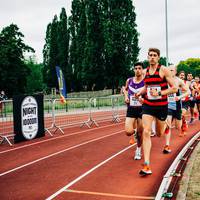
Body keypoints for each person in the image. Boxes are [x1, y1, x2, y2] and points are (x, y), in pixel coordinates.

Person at [136, 48, 177, 176]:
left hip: (161, 106)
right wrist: (140, 92)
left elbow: (174, 88)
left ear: (158, 58)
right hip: (148, 105)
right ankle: (147, 164)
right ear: (147, 57)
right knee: (146, 132)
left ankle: (165, 125)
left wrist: (159, 93)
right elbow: (146, 87)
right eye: (150, 55)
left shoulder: (163, 70)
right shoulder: (145, 72)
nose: (152, 57)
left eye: (155, 55)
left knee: (159, 133)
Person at [163, 65, 190, 154]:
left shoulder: (179, 81)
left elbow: (188, 92)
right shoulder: (164, 80)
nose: (170, 72)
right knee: (168, 125)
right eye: (168, 70)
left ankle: (183, 122)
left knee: (178, 127)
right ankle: (167, 145)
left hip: (177, 106)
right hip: (168, 106)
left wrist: (179, 96)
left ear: (175, 72)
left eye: (171, 70)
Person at [124, 62, 144, 160]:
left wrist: (143, 100)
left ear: (142, 70)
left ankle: (138, 150)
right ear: (133, 70)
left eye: (139, 68)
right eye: (135, 68)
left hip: (142, 109)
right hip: (131, 108)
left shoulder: (145, 81)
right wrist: (126, 97)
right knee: (128, 132)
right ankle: (134, 131)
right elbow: (125, 89)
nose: (137, 70)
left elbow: (150, 94)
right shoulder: (129, 80)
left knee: (140, 134)